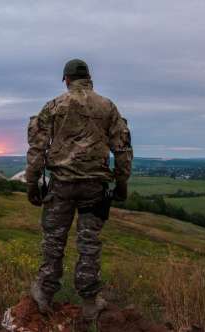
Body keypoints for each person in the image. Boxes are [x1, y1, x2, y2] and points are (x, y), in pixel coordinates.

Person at [25, 59, 133, 321]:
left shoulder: (54, 106)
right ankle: (89, 301)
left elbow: (37, 147)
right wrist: (121, 182)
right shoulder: (107, 107)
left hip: (61, 185)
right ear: (89, 79)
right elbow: (122, 147)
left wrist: (32, 182)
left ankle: (43, 294)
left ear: (66, 79)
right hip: (94, 187)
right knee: (89, 244)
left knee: (53, 241)